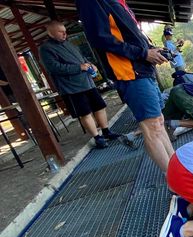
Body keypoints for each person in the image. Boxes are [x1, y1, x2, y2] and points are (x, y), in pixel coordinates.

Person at [75, 0, 174, 172]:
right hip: (129, 72)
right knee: (151, 127)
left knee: (158, 122)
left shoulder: (119, 2)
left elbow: (130, 35)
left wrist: (150, 49)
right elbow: (101, 39)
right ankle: (173, 180)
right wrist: (144, 53)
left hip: (143, 69)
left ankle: (178, 170)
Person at [39, 20, 122, 149]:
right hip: (71, 87)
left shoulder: (69, 44)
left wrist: (91, 65)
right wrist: (80, 67)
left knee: (100, 106)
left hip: (88, 83)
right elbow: (54, 68)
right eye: (60, 32)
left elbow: (82, 59)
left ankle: (106, 131)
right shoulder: (45, 48)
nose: (64, 34)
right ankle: (97, 137)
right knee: (85, 112)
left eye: (65, 31)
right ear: (51, 33)